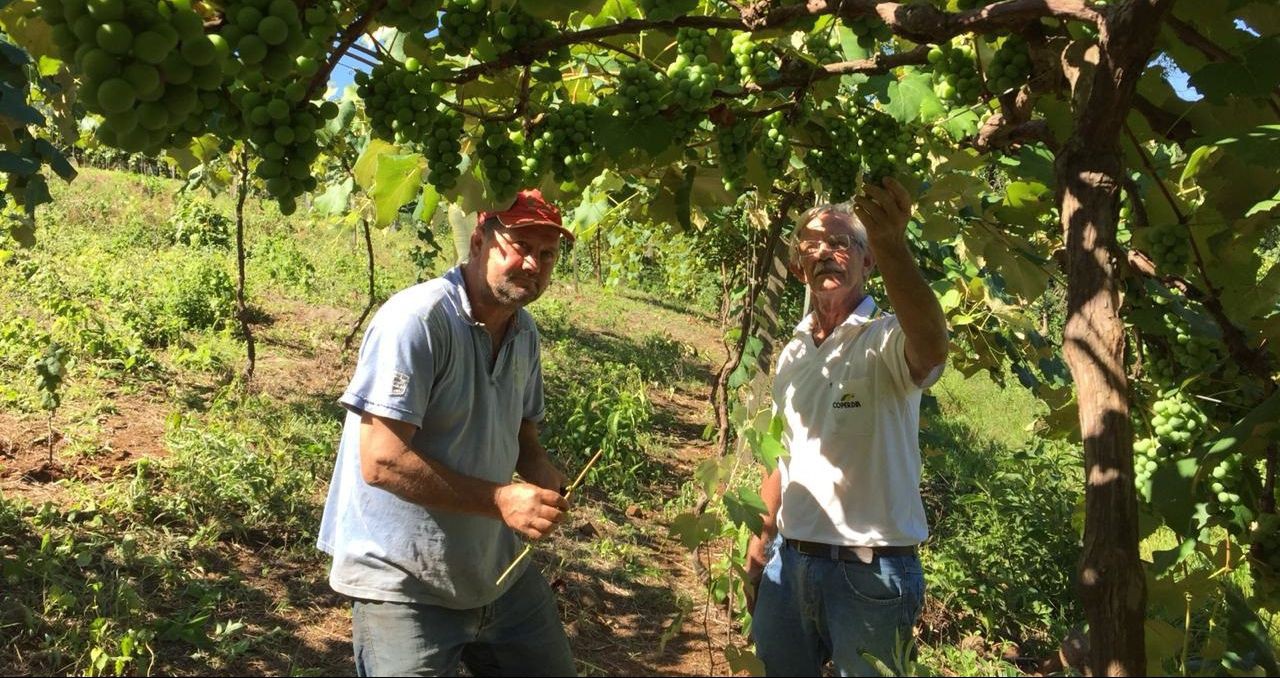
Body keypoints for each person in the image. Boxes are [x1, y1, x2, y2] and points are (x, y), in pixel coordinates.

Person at [317, 189, 577, 677]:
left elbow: (522, 425)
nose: (532, 264)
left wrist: (538, 464)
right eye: (519, 244)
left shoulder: (524, 332)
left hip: (496, 575)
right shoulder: (416, 321)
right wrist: (501, 501)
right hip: (405, 583)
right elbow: (381, 460)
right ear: (479, 240)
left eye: (547, 255)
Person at [746, 177, 949, 676]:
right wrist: (761, 538)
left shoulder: (886, 339)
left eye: (840, 243)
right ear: (798, 267)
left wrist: (894, 243)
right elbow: (785, 453)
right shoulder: (793, 352)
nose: (825, 253)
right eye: (811, 245)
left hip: (872, 572)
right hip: (788, 565)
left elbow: (931, 347)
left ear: (868, 260)